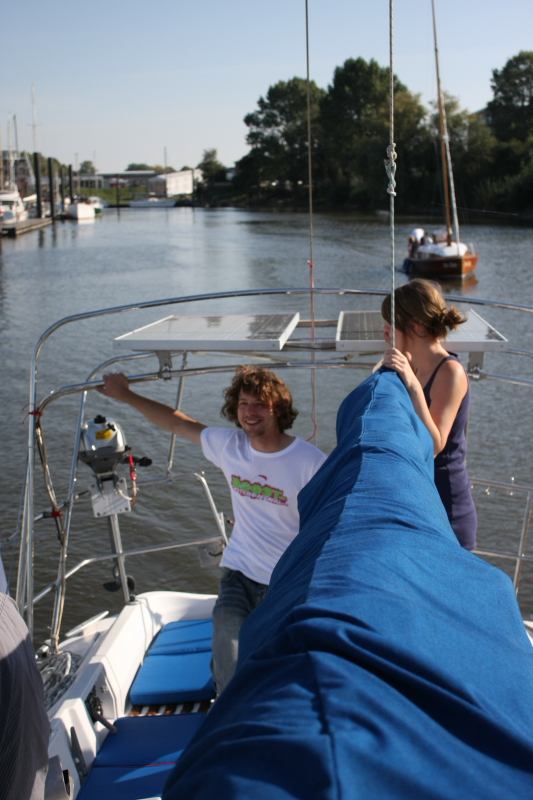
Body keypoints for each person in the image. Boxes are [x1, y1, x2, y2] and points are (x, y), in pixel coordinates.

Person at [99, 366, 326, 694]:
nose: (250, 413)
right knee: (227, 648)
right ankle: (225, 713)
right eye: (243, 404)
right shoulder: (230, 446)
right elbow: (177, 422)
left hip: (286, 581)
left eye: (259, 404)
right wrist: (126, 395)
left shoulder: (310, 462)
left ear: (278, 408)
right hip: (240, 573)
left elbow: (331, 520)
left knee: (283, 663)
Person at [381, 279, 477, 549]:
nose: (385, 331)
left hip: (447, 506)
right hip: (420, 495)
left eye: (391, 324)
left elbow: (434, 444)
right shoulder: (412, 365)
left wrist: (412, 384)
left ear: (416, 326)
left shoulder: (450, 372)